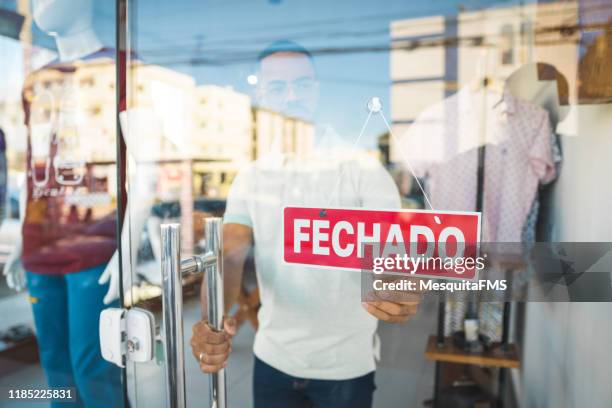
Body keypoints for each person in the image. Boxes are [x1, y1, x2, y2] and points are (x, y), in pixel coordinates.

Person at [190, 41, 422, 408]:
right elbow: (230, 255)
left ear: (316, 89)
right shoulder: (252, 176)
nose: (292, 95)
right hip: (273, 357)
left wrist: (401, 287)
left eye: (302, 83)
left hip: (345, 364)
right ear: (262, 96)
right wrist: (210, 319)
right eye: (278, 87)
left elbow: (395, 257)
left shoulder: (362, 170)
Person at [1, 1, 130, 406]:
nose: (39, 5)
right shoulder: (35, 81)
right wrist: (23, 240)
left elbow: (142, 168)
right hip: (40, 244)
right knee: (55, 364)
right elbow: (30, 168)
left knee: (94, 365)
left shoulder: (120, 67)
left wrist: (127, 245)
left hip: (94, 243)